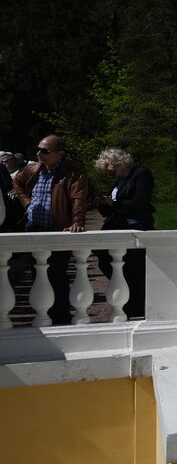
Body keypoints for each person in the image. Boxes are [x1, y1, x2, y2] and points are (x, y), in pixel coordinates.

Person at [11, 135, 90, 324]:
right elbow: (17, 184)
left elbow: (78, 197)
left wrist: (77, 220)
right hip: (33, 228)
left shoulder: (73, 171)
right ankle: (43, 315)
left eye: (44, 151)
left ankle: (61, 316)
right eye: (38, 149)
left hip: (57, 228)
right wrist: (27, 202)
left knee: (57, 274)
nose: (38, 153)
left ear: (59, 153)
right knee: (37, 272)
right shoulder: (33, 169)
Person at [94, 147, 155, 317]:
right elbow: (112, 209)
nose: (110, 172)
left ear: (119, 163)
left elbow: (139, 203)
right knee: (105, 259)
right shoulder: (119, 180)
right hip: (117, 227)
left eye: (111, 168)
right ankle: (127, 300)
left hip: (135, 227)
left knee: (134, 270)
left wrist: (113, 204)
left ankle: (136, 307)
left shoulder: (141, 174)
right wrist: (103, 204)